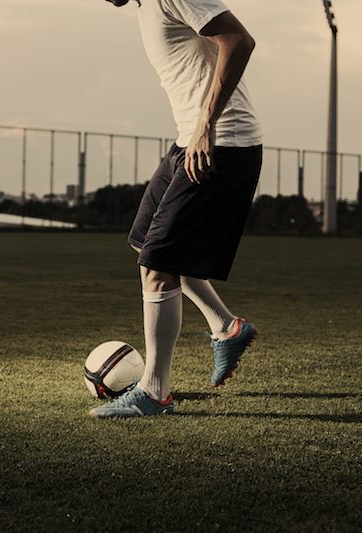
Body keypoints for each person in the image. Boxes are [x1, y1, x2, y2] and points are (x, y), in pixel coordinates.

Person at [90, 0, 262, 418]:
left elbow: (239, 40)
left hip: (222, 143)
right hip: (189, 140)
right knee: (144, 245)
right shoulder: (145, 7)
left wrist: (206, 124)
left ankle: (154, 392)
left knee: (157, 264)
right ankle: (226, 327)